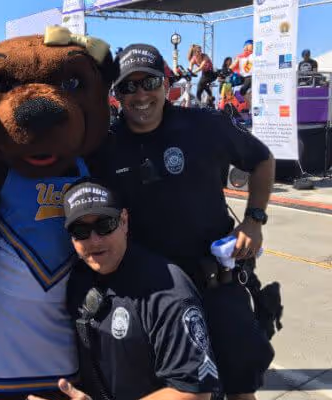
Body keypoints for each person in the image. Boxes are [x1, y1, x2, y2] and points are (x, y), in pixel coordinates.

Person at [88, 43, 276, 400]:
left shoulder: (204, 125)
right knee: (171, 390)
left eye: (150, 83)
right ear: (117, 94)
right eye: (129, 86)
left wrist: (253, 220)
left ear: (166, 84)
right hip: (151, 296)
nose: (140, 95)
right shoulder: (106, 145)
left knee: (239, 388)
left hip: (215, 283)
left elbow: (262, 159)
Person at [30, 179, 220, 400]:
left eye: (104, 225)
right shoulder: (78, 279)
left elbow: (193, 393)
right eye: (80, 230)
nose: (94, 240)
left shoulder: (167, 290)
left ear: (124, 222)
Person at [230, 40, 253, 110]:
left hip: (250, 76)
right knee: (239, 91)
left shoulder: (253, 55)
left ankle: (248, 108)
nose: (246, 48)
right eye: (246, 46)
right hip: (243, 77)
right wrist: (227, 70)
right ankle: (245, 108)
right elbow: (233, 65)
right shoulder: (240, 56)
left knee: (243, 91)